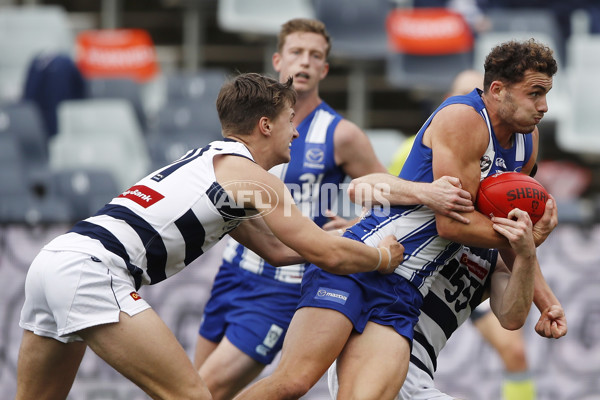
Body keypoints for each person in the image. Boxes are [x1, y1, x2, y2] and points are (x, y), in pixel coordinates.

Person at [15, 72, 411, 400]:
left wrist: (331, 242)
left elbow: (276, 250)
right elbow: (326, 255)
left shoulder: (207, 160)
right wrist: (381, 257)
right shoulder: (254, 178)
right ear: (265, 125)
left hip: (54, 259)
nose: (296, 130)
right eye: (291, 118)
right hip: (93, 271)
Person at [234, 39, 560, 400]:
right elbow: (449, 223)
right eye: (535, 94)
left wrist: (544, 295)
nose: (544, 107)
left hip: (405, 289)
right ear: (497, 90)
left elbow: (513, 251)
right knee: (292, 382)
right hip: (361, 263)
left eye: (546, 94)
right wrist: (521, 239)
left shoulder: (526, 143)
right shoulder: (463, 118)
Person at [192, 18, 473, 400]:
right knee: (193, 387)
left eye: (315, 56)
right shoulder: (252, 120)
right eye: (296, 53)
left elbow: (387, 199)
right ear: (278, 59)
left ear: (325, 69)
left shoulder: (341, 134)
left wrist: (355, 224)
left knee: (208, 389)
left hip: (286, 280)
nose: (304, 63)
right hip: (235, 268)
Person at [391, 68, 539, 400]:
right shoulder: (418, 151)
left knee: (514, 352)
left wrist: (530, 251)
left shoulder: (498, 224)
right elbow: (377, 193)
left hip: (469, 264)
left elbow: (513, 315)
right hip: (395, 343)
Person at [327, 208, 567, 400]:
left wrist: (527, 254)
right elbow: (370, 185)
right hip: (373, 355)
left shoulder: (498, 260)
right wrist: (356, 228)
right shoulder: (427, 209)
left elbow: (511, 318)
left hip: (415, 376)